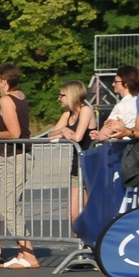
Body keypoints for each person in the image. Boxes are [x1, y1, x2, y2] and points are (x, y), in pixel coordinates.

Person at [0, 63, 37, 269]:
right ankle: (23, 253)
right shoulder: (20, 96)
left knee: (7, 208)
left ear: (4, 81)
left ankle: (29, 255)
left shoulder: (6, 100)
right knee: (13, 206)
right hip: (17, 156)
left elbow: (14, 133)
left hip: (14, 157)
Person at [45, 81, 96, 220]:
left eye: (62, 95)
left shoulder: (86, 110)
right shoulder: (67, 115)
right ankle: (84, 235)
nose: (59, 98)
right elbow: (50, 135)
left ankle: (93, 234)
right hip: (76, 166)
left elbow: (78, 137)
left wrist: (64, 133)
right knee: (73, 215)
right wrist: (63, 130)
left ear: (71, 95)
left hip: (90, 165)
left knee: (83, 213)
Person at [89, 66, 139, 142]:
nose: (113, 84)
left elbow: (104, 135)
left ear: (126, 84)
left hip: (124, 145)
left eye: (116, 81)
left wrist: (100, 135)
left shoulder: (122, 106)